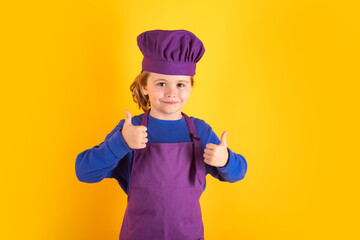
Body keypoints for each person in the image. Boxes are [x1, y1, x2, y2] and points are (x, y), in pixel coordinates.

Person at [75, 29, 247, 240]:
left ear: (191, 87)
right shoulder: (130, 130)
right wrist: (121, 143)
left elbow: (239, 173)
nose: (171, 92)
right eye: (161, 83)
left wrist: (225, 160)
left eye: (180, 84)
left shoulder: (200, 131)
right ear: (145, 86)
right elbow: (84, 171)